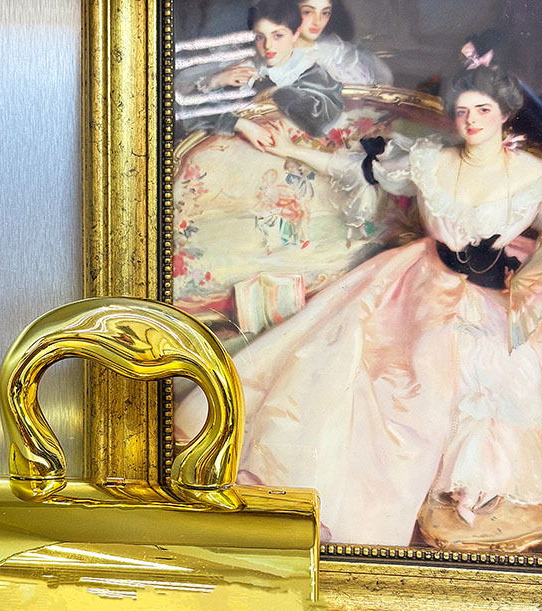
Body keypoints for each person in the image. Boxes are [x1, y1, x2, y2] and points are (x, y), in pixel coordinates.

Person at [175, 64, 542, 547]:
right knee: (377, 366)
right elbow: (354, 168)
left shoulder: (533, 173)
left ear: (505, 114)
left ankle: (474, 482)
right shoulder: (429, 159)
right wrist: (287, 149)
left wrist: (529, 277)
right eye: (462, 111)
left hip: (497, 288)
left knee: (494, 365)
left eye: (483, 110)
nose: (471, 120)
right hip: (418, 280)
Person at [175, 0, 344, 146]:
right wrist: (216, 82)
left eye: (278, 36)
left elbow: (320, 119)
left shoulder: (308, 71)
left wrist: (275, 92)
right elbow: (191, 113)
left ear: (295, 34)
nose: (268, 46)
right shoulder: (243, 67)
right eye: (260, 37)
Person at [293, 0, 393, 86]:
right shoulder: (286, 55)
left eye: (325, 13)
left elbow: (384, 82)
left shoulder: (344, 54)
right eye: (307, 12)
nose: (317, 22)